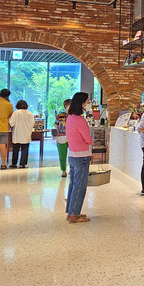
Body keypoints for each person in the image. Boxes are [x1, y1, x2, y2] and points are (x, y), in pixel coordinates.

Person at [65, 92, 93, 223]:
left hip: (72, 154)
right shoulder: (80, 120)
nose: (89, 104)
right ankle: (74, 215)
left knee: (73, 185)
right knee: (80, 186)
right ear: (81, 103)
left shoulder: (70, 118)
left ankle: (71, 212)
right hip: (82, 155)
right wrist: (91, 143)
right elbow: (87, 138)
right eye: (87, 102)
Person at [9, 100, 35, 169]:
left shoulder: (16, 113)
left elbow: (12, 123)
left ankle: (14, 163)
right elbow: (32, 124)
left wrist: (9, 119)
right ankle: (22, 164)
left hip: (17, 133)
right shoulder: (30, 113)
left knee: (15, 149)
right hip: (26, 133)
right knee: (25, 148)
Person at [54, 99, 71, 177]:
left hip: (72, 137)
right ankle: (63, 170)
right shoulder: (60, 115)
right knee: (62, 155)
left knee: (73, 155)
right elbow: (56, 125)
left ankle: (72, 169)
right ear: (65, 106)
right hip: (61, 136)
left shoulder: (74, 115)